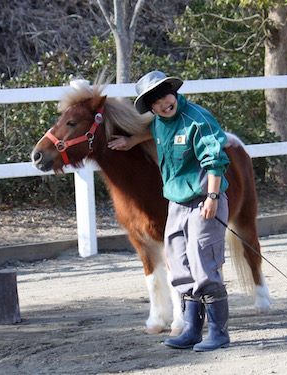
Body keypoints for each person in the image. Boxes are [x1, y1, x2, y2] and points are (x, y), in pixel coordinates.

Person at [108, 71, 231, 352]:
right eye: (155, 100)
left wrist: (212, 196)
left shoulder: (197, 119)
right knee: (178, 263)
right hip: (175, 202)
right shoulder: (160, 123)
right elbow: (152, 132)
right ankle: (191, 330)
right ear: (150, 108)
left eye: (165, 94)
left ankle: (219, 333)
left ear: (173, 92)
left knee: (204, 264)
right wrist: (129, 142)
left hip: (203, 201)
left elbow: (215, 160)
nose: (164, 102)